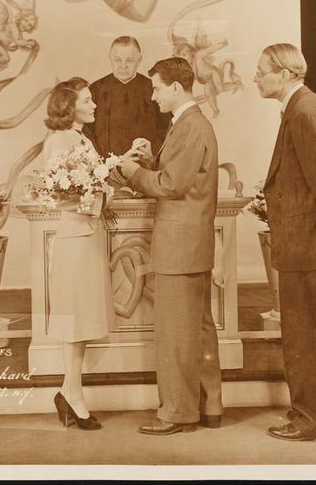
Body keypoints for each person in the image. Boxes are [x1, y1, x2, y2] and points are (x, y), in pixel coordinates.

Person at [253, 43, 316, 442]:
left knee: (304, 336)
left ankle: (312, 419)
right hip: (313, 242)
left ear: (283, 74)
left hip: (304, 245)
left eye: (261, 70)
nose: (255, 77)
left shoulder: (301, 112)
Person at [117, 57, 223, 435]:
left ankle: (177, 413)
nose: (153, 95)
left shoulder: (190, 125)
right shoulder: (189, 124)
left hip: (180, 248)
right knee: (199, 330)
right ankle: (210, 406)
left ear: (176, 88)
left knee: (177, 334)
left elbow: (171, 185)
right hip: (191, 245)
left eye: (157, 88)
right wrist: (151, 162)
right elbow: (179, 176)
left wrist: (135, 173)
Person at [44, 77, 141, 431]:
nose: (95, 104)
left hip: (88, 238)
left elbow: (93, 185)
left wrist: (116, 172)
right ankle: (73, 395)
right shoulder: (59, 141)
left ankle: (69, 392)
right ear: (69, 107)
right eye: (87, 100)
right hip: (75, 240)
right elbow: (60, 195)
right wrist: (100, 193)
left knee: (81, 320)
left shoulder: (81, 139)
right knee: (75, 320)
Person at [82, 36, 169, 156]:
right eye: (117, 60)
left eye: (129, 60)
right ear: (110, 58)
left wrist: (151, 157)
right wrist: (100, 162)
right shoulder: (96, 89)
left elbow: (166, 129)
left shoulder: (153, 89)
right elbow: (86, 131)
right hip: (104, 164)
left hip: (144, 164)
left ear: (139, 60)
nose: (123, 65)